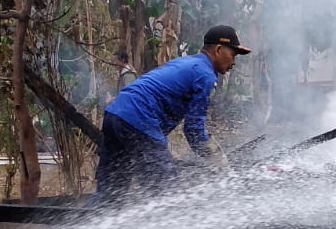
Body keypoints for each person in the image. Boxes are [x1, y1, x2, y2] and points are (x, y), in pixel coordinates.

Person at [94, 25, 251, 202]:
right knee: (167, 196)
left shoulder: (185, 63)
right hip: (139, 119)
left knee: (111, 192)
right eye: (233, 54)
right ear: (218, 49)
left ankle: (95, 223)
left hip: (115, 114)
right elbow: (193, 130)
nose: (234, 62)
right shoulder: (206, 74)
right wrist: (219, 160)